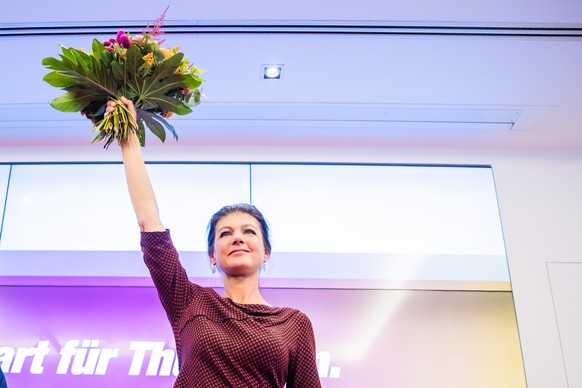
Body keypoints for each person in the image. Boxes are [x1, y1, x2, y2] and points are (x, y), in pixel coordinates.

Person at [110, 97, 321, 387]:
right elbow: (150, 223)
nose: (237, 237)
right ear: (212, 255)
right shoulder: (189, 301)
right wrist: (128, 138)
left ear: (266, 252)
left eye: (249, 232)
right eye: (225, 233)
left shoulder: (294, 324)